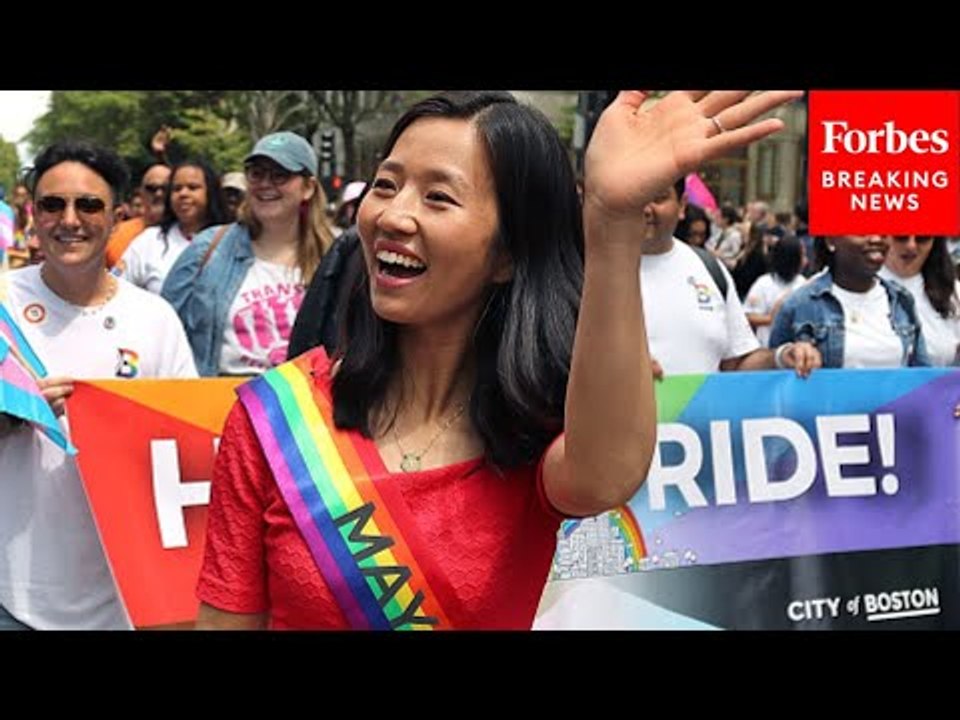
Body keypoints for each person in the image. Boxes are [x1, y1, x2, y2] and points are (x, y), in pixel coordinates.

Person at [194, 89, 803, 630]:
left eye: (438, 197)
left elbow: (609, 473)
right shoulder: (275, 418)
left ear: (508, 254)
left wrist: (613, 221)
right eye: (386, 184)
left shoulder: (530, 430)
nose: (393, 216)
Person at [0, 141, 198, 630]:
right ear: (32, 214)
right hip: (12, 593)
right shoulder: (2, 304)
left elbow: (190, 450)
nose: (70, 219)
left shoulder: (155, 319)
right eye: (52, 204)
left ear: (117, 216)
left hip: (126, 597)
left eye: (88, 205)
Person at [162, 131, 335, 376]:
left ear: (308, 188)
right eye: (257, 173)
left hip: (301, 407)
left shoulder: (334, 259)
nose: (265, 184)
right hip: (218, 404)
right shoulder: (208, 248)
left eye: (279, 175)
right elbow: (164, 329)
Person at [639, 178, 818, 380]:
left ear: (682, 205)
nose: (645, 208)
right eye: (634, 197)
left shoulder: (709, 268)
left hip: (703, 411)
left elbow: (737, 362)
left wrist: (781, 356)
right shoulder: (597, 271)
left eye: (659, 198)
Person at [770, 236, 930, 368]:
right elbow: (772, 379)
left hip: (895, 407)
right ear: (831, 241)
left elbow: (923, 375)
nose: (876, 238)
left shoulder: (901, 300)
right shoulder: (800, 304)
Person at [119, 160, 229, 293]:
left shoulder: (232, 241)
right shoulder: (150, 241)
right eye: (176, 189)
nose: (183, 194)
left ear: (210, 193)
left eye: (193, 187)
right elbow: (118, 290)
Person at [879, 236, 960, 366]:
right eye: (901, 237)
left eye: (922, 238)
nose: (911, 246)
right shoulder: (856, 285)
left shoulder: (954, 292)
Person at [104, 163, 171, 269]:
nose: (159, 194)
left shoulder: (187, 235)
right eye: (151, 188)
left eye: (165, 188)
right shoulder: (115, 235)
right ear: (141, 193)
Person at [744, 234, 806, 346]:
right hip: (767, 348)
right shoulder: (763, 283)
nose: (805, 261)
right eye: (802, 256)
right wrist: (770, 318)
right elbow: (748, 316)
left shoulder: (803, 283)